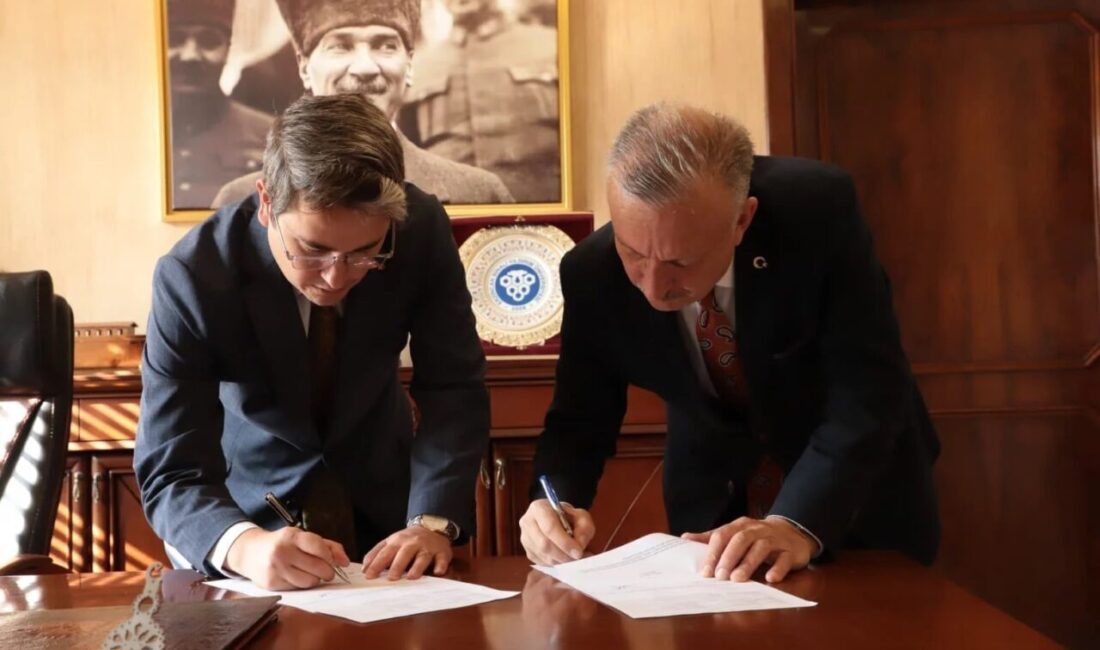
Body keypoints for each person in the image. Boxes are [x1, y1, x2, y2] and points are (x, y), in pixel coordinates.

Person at [519, 103, 940, 584]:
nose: (654, 288)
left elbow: (869, 391)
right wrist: (552, 501)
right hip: (711, 514)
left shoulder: (817, 214)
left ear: (742, 220)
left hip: (855, 499)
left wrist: (796, 523)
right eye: (633, 253)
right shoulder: (592, 274)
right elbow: (579, 420)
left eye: (680, 262)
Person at [135, 93, 490, 590]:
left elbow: (453, 387)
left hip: (396, 519)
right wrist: (243, 545)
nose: (335, 277)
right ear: (266, 203)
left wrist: (432, 520)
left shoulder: (421, 230)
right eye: (312, 249)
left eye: (366, 252)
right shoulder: (194, 276)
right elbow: (171, 469)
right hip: (253, 520)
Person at [211, 0, 513, 209]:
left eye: (386, 45)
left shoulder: (478, 193)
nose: (365, 67)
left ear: (409, 64)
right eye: (340, 46)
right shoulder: (241, 202)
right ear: (304, 66)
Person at [399, 0, 560, 203]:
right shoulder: (418, 66)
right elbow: (411, 158)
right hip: (454, 222)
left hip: (542, 217)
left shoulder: (552, 46)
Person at [166, 0, 273, 208]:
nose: (190, 56)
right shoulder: (123, 131)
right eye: (175, 39)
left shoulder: (271, 134)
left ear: (228, 50)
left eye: (209, 41)